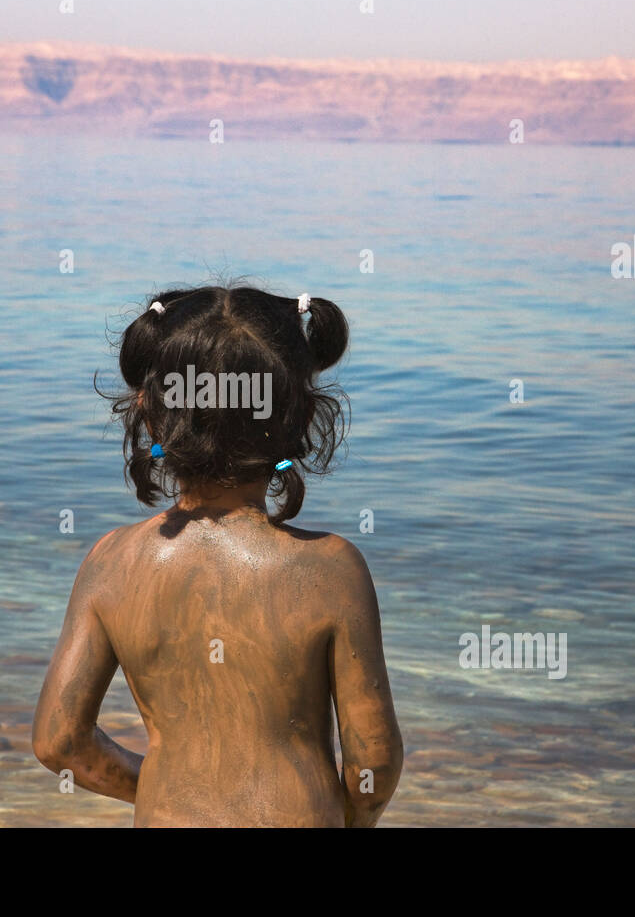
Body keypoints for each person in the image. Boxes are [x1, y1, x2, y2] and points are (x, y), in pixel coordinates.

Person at [33, 285, 402, 826]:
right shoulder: (330, 570)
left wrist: (166, 792)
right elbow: (372, 764)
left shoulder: (111, 563)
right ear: (297, 420)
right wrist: (353, 818)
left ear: (152, 417)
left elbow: (58, 742)